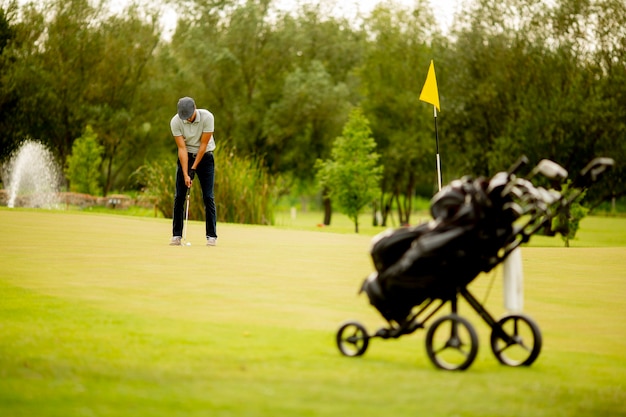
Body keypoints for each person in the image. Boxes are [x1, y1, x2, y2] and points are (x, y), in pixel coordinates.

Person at [169, 97, 218, 246]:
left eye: (189, 115)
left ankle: (211, 236)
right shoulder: (176, 121)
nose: (188, 119)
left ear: (195, 108)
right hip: (186, 156)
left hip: (205, 157)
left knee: (208, 197)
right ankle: (176, 235)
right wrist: (185, 173)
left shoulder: (207, 117)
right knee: (179, 197)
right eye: (185, 116)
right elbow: (182, 148)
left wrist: (194, 168)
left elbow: (203, 145)